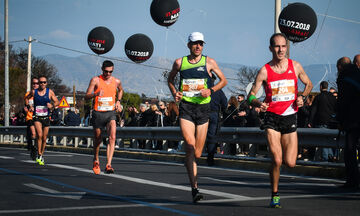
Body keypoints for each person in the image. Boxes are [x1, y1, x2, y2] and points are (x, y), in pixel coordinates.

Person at [247, 33, 312, 208]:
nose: (280, 50)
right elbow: (250, 95)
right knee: (276, 160)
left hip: (290, 117)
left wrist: (302, 97)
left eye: (283, 46)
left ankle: (277, 173)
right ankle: (275, 194)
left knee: (290, 162)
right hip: (271, 119)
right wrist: (258, 103)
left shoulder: (295, 66)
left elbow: (309, 84)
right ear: (271, 48)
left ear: (287, 47)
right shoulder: (264, 70)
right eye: (277, 46)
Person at [167, 32, 227, 203]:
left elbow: (223, 80)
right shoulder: (180, 62)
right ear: (188, 45)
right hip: (186, 108)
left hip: (203, 109)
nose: (198, 46)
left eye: (201, 43)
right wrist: (174, 93)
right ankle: (195, 188)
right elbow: (170, 80)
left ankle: (189, 160)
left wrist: (211, 90)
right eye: (195, 43)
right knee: (191, 146)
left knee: (198, 153)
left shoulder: (209, 62)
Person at [85, 60, 123, 174]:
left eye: (110, 72)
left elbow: (121, 90)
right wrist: (95, 94)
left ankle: (109, 164)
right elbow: (86, 96)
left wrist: (118, 101)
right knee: (98, 139)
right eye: (106, 72)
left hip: (110, 113)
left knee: (112, 137)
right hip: (98, 113)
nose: (108, 74)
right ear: (102, 69)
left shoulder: (116, 81)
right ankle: (96, 158)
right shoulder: (95, 80)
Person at [336, 56, 360, 189]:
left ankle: (353, 180)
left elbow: (343, 102)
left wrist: (340, 120)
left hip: (353, 120)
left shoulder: (345, 78)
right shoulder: (357, 74)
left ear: (340, 67)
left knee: (350, 151)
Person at [26, 75, 60, 165]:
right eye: (40, 82)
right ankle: (39, 154)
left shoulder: (49, 92)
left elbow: (57, 101)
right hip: (37, 116)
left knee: (44, 138)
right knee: (39, 135)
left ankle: (41, 155)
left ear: (46, 83)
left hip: (46, 117)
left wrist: (52, 105)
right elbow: (26, 98)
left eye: (44, 82)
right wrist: (30, 106)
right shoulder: (34, 92)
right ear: (39, 83)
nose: (42, 84)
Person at [308, 81, 337, 161]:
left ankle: (325, 160)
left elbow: (313, 110)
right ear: (327, 87)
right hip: (331, 122)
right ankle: (331, 156)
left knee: (323, 141)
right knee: (329, 140)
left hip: (321, 121)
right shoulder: (332, 97)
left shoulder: (318, 97)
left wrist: (310, 121)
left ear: (321, 87)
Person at [206, 74, 227, 166]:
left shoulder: (202, 90)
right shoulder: (219, 91)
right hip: (214, 114)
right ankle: (210, 158)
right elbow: (225, 104)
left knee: (199, 134)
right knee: (212, 136)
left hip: (202, 113)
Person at [24, 77, 39, 160]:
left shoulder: (41, 94)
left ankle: (36, 146)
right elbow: (26, 104)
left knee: (39, 135)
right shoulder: (28, 94)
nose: (35, 85)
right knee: (33, 133)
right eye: (33, 83)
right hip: (30, 117)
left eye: (37, 83)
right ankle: (33, 149)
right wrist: (28, 107)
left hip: (39, 116)